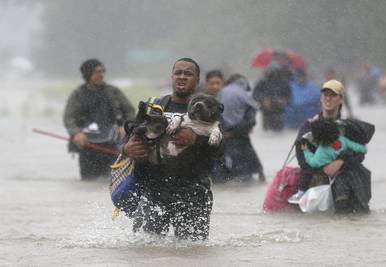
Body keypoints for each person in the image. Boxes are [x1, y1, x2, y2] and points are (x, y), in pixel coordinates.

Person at [123, 58, 223, 240]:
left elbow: (223, 151)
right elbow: (129, 135)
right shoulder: (154, 106)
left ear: (197, 79)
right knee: (144, 251)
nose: (182, 77)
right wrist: (127, 149)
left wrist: (197, 140)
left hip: (193, 193)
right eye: (178, 73)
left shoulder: (210, 110)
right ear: (172, 77)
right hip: (153, 191)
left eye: (188, 73)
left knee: (193, 253)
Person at [291, 79, 372, 213]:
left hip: (345, 175)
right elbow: (301, 155)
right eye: (325, 95)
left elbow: (360, 154)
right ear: (321, 99)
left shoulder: (349, 127)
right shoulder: (309, 125)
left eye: (333, 95)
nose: (328, 99)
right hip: (316, 176)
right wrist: (322, 169)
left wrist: (341, 163)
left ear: (341, 100)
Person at [63, 59, 135, 179]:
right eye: (97, 72)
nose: (101, 75)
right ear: (88, 74)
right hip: (88, 146)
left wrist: (125, 127)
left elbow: (130, 111)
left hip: (113, 144)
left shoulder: (113, 92)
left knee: (113, 180)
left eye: (102, 71)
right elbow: (69, 118)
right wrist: (76, 133)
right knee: (88, 182)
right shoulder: (78, 94)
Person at [288, 118, 367, 203]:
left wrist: (306, 151)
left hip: (328, 179)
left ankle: (301, 193)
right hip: (345, 176)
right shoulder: (342, 140)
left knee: (307, 172)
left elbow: (313, 163)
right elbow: (359, 148)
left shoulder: (322, 151)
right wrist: (363, 148)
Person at [218, 74, 265, 182]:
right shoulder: (245, 97)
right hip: (237, 137)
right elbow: (252, 116)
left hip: (230, 136)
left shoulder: (221, 95)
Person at [253, 64, 291, 131]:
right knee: (267, 132)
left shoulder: (284, 83)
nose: (274, 75)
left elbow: (289, 96)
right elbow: (255, 95)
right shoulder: (262, 82)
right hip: (267, 111)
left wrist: (284, 100)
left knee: (278, 132)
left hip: (279, 111)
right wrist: (264, 99)